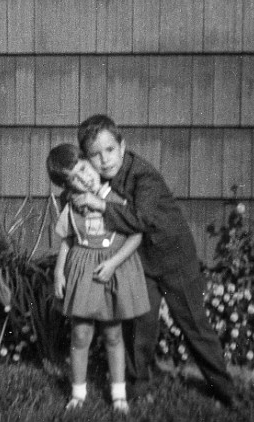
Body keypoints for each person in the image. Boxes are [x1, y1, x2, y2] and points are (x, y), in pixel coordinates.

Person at [70, 114, 235, 408]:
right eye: (95, 155)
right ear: (87, 159)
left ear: (123, 147)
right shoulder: (97, 179)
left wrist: (99, 204)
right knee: (140, 325)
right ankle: (136, 386)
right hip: (140, 260)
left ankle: (224, 390)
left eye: (110, 150)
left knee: (193, 323)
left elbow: (141, 219)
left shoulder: (142, 175)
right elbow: (72, 186)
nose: (105, 160)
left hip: (174, 257)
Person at [46, 143, 150, 415]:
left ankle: (118, 395)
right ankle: (78, 393)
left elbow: (136, 234)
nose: (83, 178)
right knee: (80, 333)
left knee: (113, 334)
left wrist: (114, 263)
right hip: (82, 271)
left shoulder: (116, 197)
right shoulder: (71, 206)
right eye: (74, 179)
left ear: (89, 162)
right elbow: (69, 239)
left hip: (110, 269)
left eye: (83, 169)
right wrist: (59, 271)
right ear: (67, 186)